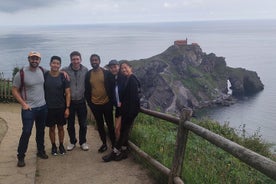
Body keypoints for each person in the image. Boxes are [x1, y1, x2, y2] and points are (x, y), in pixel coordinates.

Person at [12, 51, 48, 167]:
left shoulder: (42, 70)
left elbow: (54, 72)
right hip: (29, 109)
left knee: (41, 131)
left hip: (42, 107)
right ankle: (21, 156)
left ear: (40, 60)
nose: (34, 61)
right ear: (28, 59)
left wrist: (63, 72)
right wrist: (23, 103)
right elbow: (14, 90)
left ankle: (40, 151)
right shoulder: (21, 73)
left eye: (36, 59)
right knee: (27, 132)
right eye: (32, 58)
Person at [102, 60, 140, 162]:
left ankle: (114, 153)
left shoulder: (131, 80)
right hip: (123, 110)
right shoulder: (126, 78)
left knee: (121, 131)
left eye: (125, 68)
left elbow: (134, 99)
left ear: (130, 67)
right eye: (122, 68)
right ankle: (123, 151)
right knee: (122, 131)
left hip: (129, 112)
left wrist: (130, 113)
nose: (123, 70)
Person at [85, 54, 116, 153]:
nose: (94, 62)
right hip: (95, 105)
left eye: (96, 60)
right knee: (100, 126)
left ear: (99, 61)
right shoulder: (89, 74)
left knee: (110, 125)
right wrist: (90, 104)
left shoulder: (106, 73)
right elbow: (87, 90)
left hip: (107, 104)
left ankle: (114, 144)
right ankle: (104, 144)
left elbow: (112, 88)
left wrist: (111, 102)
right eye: (92, 60)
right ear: (90, 62)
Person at [62, 51, 89, 151]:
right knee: (70, 124)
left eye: (77, 59)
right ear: (70, 60)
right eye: (73, 59)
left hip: (81, 101)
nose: (75, 61)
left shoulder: (85, 70)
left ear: (81, 59)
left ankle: (83, 142)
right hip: (70, 102)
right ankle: (72, 141)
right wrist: (62, 72)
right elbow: (55, 71)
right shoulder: (65, 69)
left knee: (83, 123)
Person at [44, 56, 70, 155]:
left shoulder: (63, 77)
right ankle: (54, 146)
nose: (55, 65)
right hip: (48, 107)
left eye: (57, 63)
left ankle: (61, 145)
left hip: (60, 107)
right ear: (50, 64)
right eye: (53, 63)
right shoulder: (45, 75)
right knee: (51, 128)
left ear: (60, 65)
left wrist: (67, 108)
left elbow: (68, 93)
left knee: (60, 127)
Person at [107, 59, 126, 140]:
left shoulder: (124, 78)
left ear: (119, 67)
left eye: (115, 67)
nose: (113, 69)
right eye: (111, 68)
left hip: (124, 108)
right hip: (118, 108)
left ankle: (118, 148)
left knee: (118, 129)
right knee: (118, 129)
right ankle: (119, 147)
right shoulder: (113, 78)